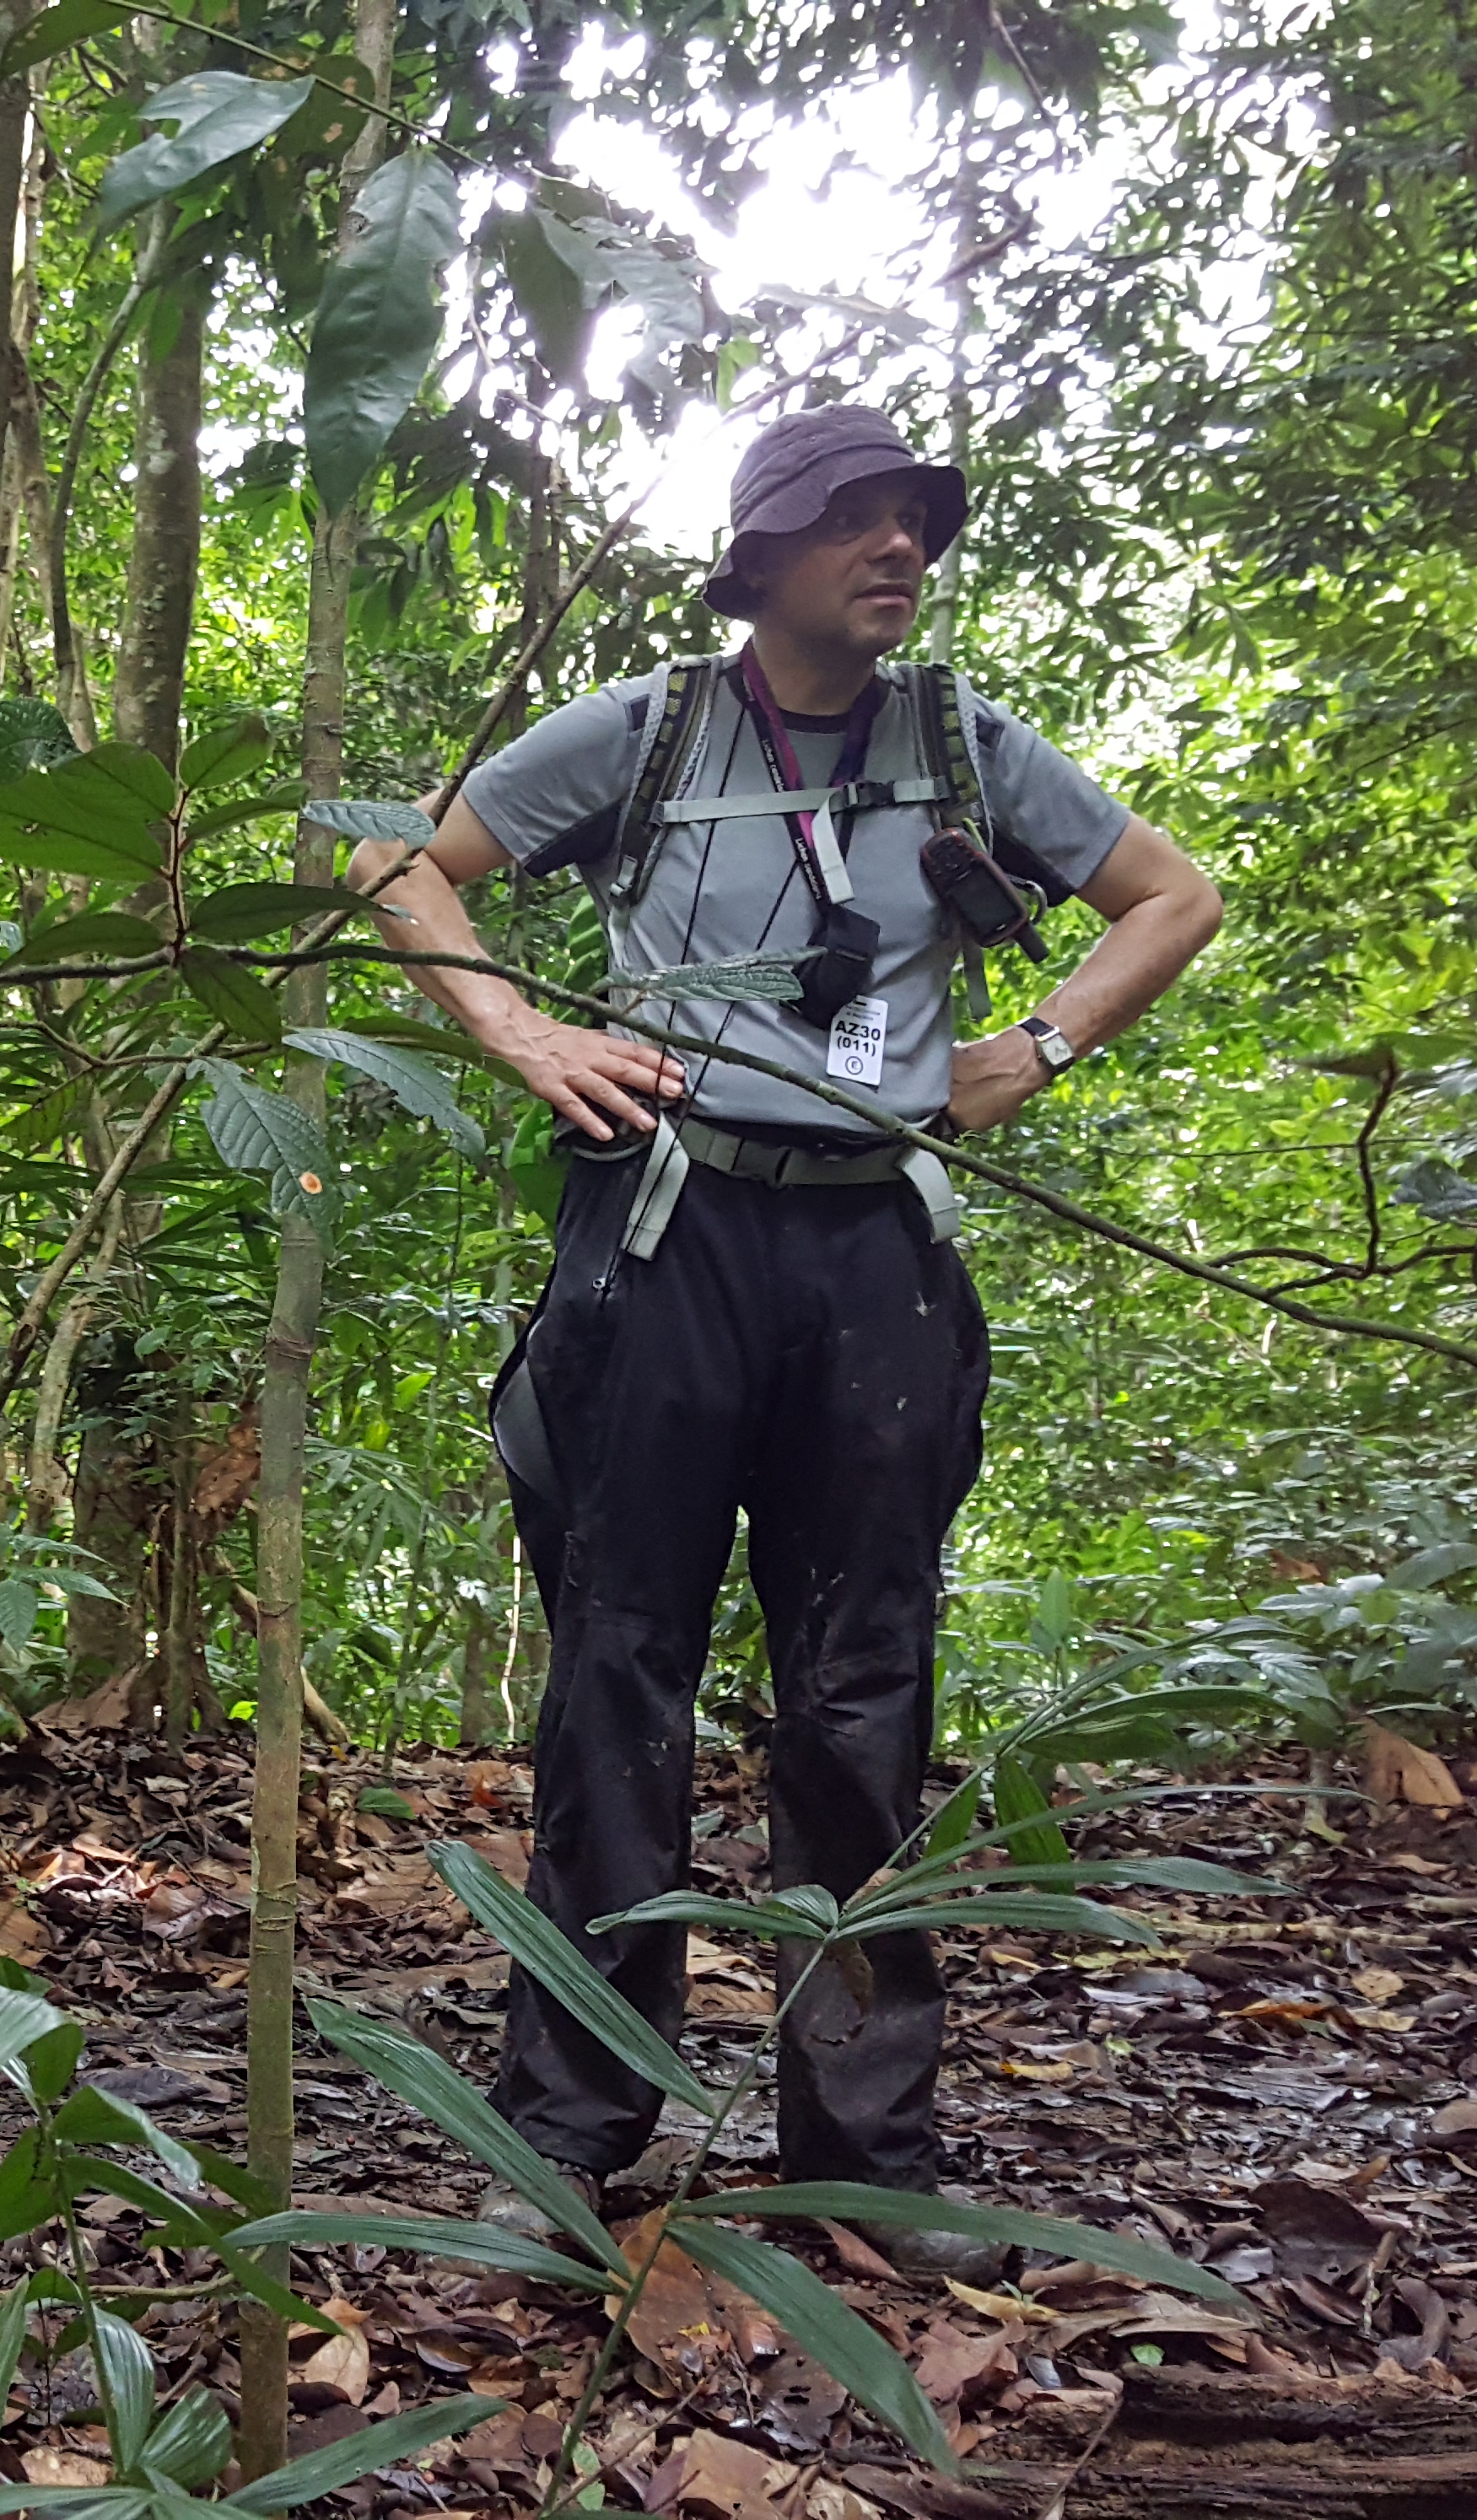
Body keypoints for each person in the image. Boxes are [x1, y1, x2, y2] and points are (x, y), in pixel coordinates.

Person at [351, 407, 1223, 2261]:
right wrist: (521, 1031)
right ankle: (571, 2146)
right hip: (665, 1230)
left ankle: (863, 2166)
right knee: (618, 1674)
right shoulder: (649, 727)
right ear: (760, 556)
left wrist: (1041, 1044)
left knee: (863, 1695)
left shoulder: (962, 743)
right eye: (853, 522)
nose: (895, 548)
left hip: (871, 1261)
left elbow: (1173, 893)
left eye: (913, 519)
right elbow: (395, 868)